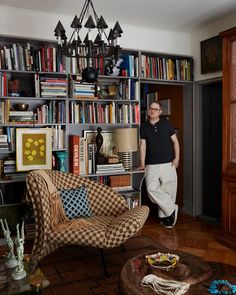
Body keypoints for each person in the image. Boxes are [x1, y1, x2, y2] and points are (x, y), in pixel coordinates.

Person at [139, 101, 180, 228]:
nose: (152, 111)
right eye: (151, 108)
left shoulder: (166, 124)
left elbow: (175, 142)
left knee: (168, 191)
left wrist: (177, 158)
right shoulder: (144, 126)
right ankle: (172, 208)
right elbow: (142, 146)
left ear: (160, 112)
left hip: (168, 163)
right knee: (151, 189)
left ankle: (165, 219)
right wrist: (142, 163)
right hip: (151, 164)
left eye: (155, 109)